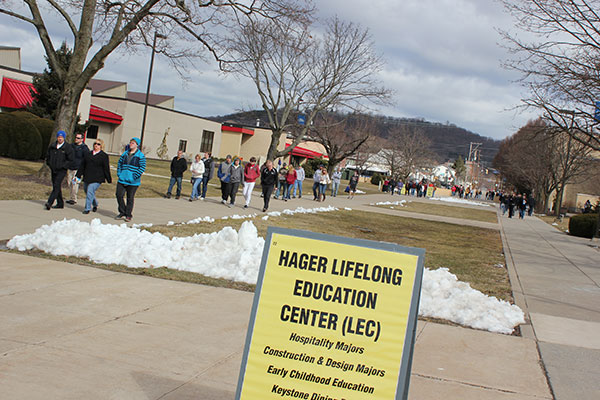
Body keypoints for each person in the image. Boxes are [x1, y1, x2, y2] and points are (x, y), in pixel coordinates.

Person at [76, 138, 111, 214]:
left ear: (101, 146)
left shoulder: (104, 156)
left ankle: (87, 208)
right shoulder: (88, 154)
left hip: (97, 178)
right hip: (88, 176)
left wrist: (108, 179)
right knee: (87, 191)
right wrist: (78, 175)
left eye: (98, 144)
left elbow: (106, 168)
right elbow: (82, 165)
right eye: (95, 143)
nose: (96, 145)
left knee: (90, 191)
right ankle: (95, 204)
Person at [116, 137, 146, 222]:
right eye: (130, 142)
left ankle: (128, 215)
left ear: (137, 145)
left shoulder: (140, 156)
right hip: (122, 179)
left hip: (133, 182)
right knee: (119, 195)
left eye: (133, 143)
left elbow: (142, 168)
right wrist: (119, 173)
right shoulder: (125, 154)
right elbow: (119, 164)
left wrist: (134, 177)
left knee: (130, 198)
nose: (131, 144)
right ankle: (122, 212)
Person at [45, 130, 74, 210]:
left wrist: (64, 166)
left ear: (64, 138)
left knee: (57, 185)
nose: (60, 138)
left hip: (62, 170)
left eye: (61, 137)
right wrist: (49, 163)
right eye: (59, 137)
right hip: (53, 169)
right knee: (56, 185)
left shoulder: (67, 147)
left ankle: (49, 202)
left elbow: (70, 159)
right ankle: (60, 203)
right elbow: (48, 156)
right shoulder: (53, 146)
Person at [66, 133, 89, 205]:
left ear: (82, 139)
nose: (76, 139)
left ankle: (74, 199)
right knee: (69, 183)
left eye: (78, 138)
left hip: (78, 169)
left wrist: (83, 169)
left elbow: (86, 159)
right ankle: (71, 197)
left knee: (75, 184)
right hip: (70, 168)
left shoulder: (84, 148)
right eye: (76, 137)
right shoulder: (71, 146)